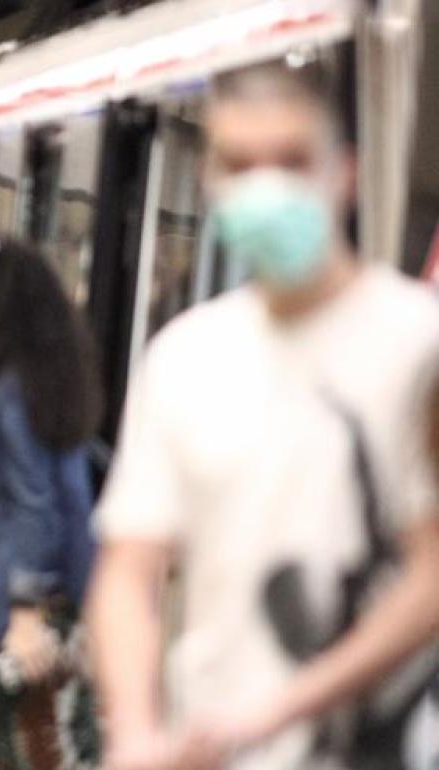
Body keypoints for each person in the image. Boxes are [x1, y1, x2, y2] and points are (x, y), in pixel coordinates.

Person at [87, 61, 439, 770]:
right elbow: (128, 570)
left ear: (343, 174)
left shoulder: (417, 344)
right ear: (210, 182)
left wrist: (278, 712)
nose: (266, 188)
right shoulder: (183, 357)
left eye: (291, 160)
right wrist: (133, 731)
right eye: (240, 165)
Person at [0, 235, 101, 770]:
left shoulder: (11, 389)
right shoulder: (27, 379)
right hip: (28, 602)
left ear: (2, 301)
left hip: (31, 612)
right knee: (22, 744)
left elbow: (34, 504)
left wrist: (25, 613)